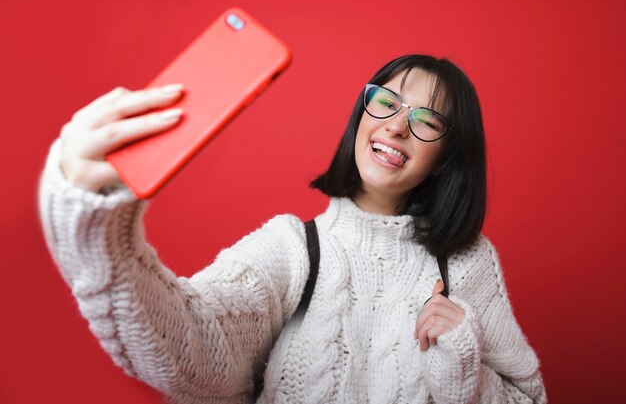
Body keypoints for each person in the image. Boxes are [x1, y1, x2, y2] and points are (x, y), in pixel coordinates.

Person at [38, 54, 547, 403]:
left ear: (445, 157)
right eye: (386, 102)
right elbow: (188, 345)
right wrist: (97, 224)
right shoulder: (294, 248)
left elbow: (530, 396)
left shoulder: (467, 262)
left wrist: (463, 367)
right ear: (363, 115)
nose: (395, 125)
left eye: (426, 120)